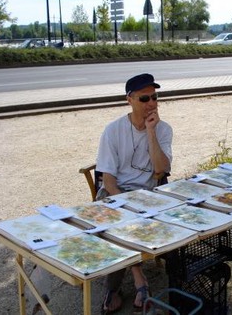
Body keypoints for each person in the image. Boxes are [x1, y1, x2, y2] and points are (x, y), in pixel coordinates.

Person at [96, 73, 173, 313]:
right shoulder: (113, 130)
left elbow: (161, 169)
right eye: (144, 98)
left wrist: (150, 132)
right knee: (119, 221)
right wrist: (124, 202)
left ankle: (113, 288)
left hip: (149, 192)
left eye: (155, 97)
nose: (151, 103)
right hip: (115, 192)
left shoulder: (163, 129)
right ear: (129, 99)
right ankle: (137, 278)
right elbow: (107, 178)